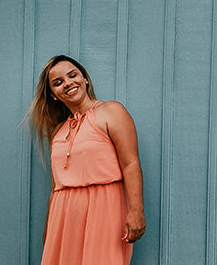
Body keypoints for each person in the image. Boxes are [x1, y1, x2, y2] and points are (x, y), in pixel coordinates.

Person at [27, 55, 145, 264]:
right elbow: (55, 188)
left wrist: (136, 211)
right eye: (58, 82)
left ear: (85, 79)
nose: (68, 83)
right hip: (64, 214)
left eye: (72, 75)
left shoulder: (111, 111)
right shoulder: (58, 131)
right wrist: (49, 228)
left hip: (104, 208)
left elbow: (130, 163)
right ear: (53, 94)